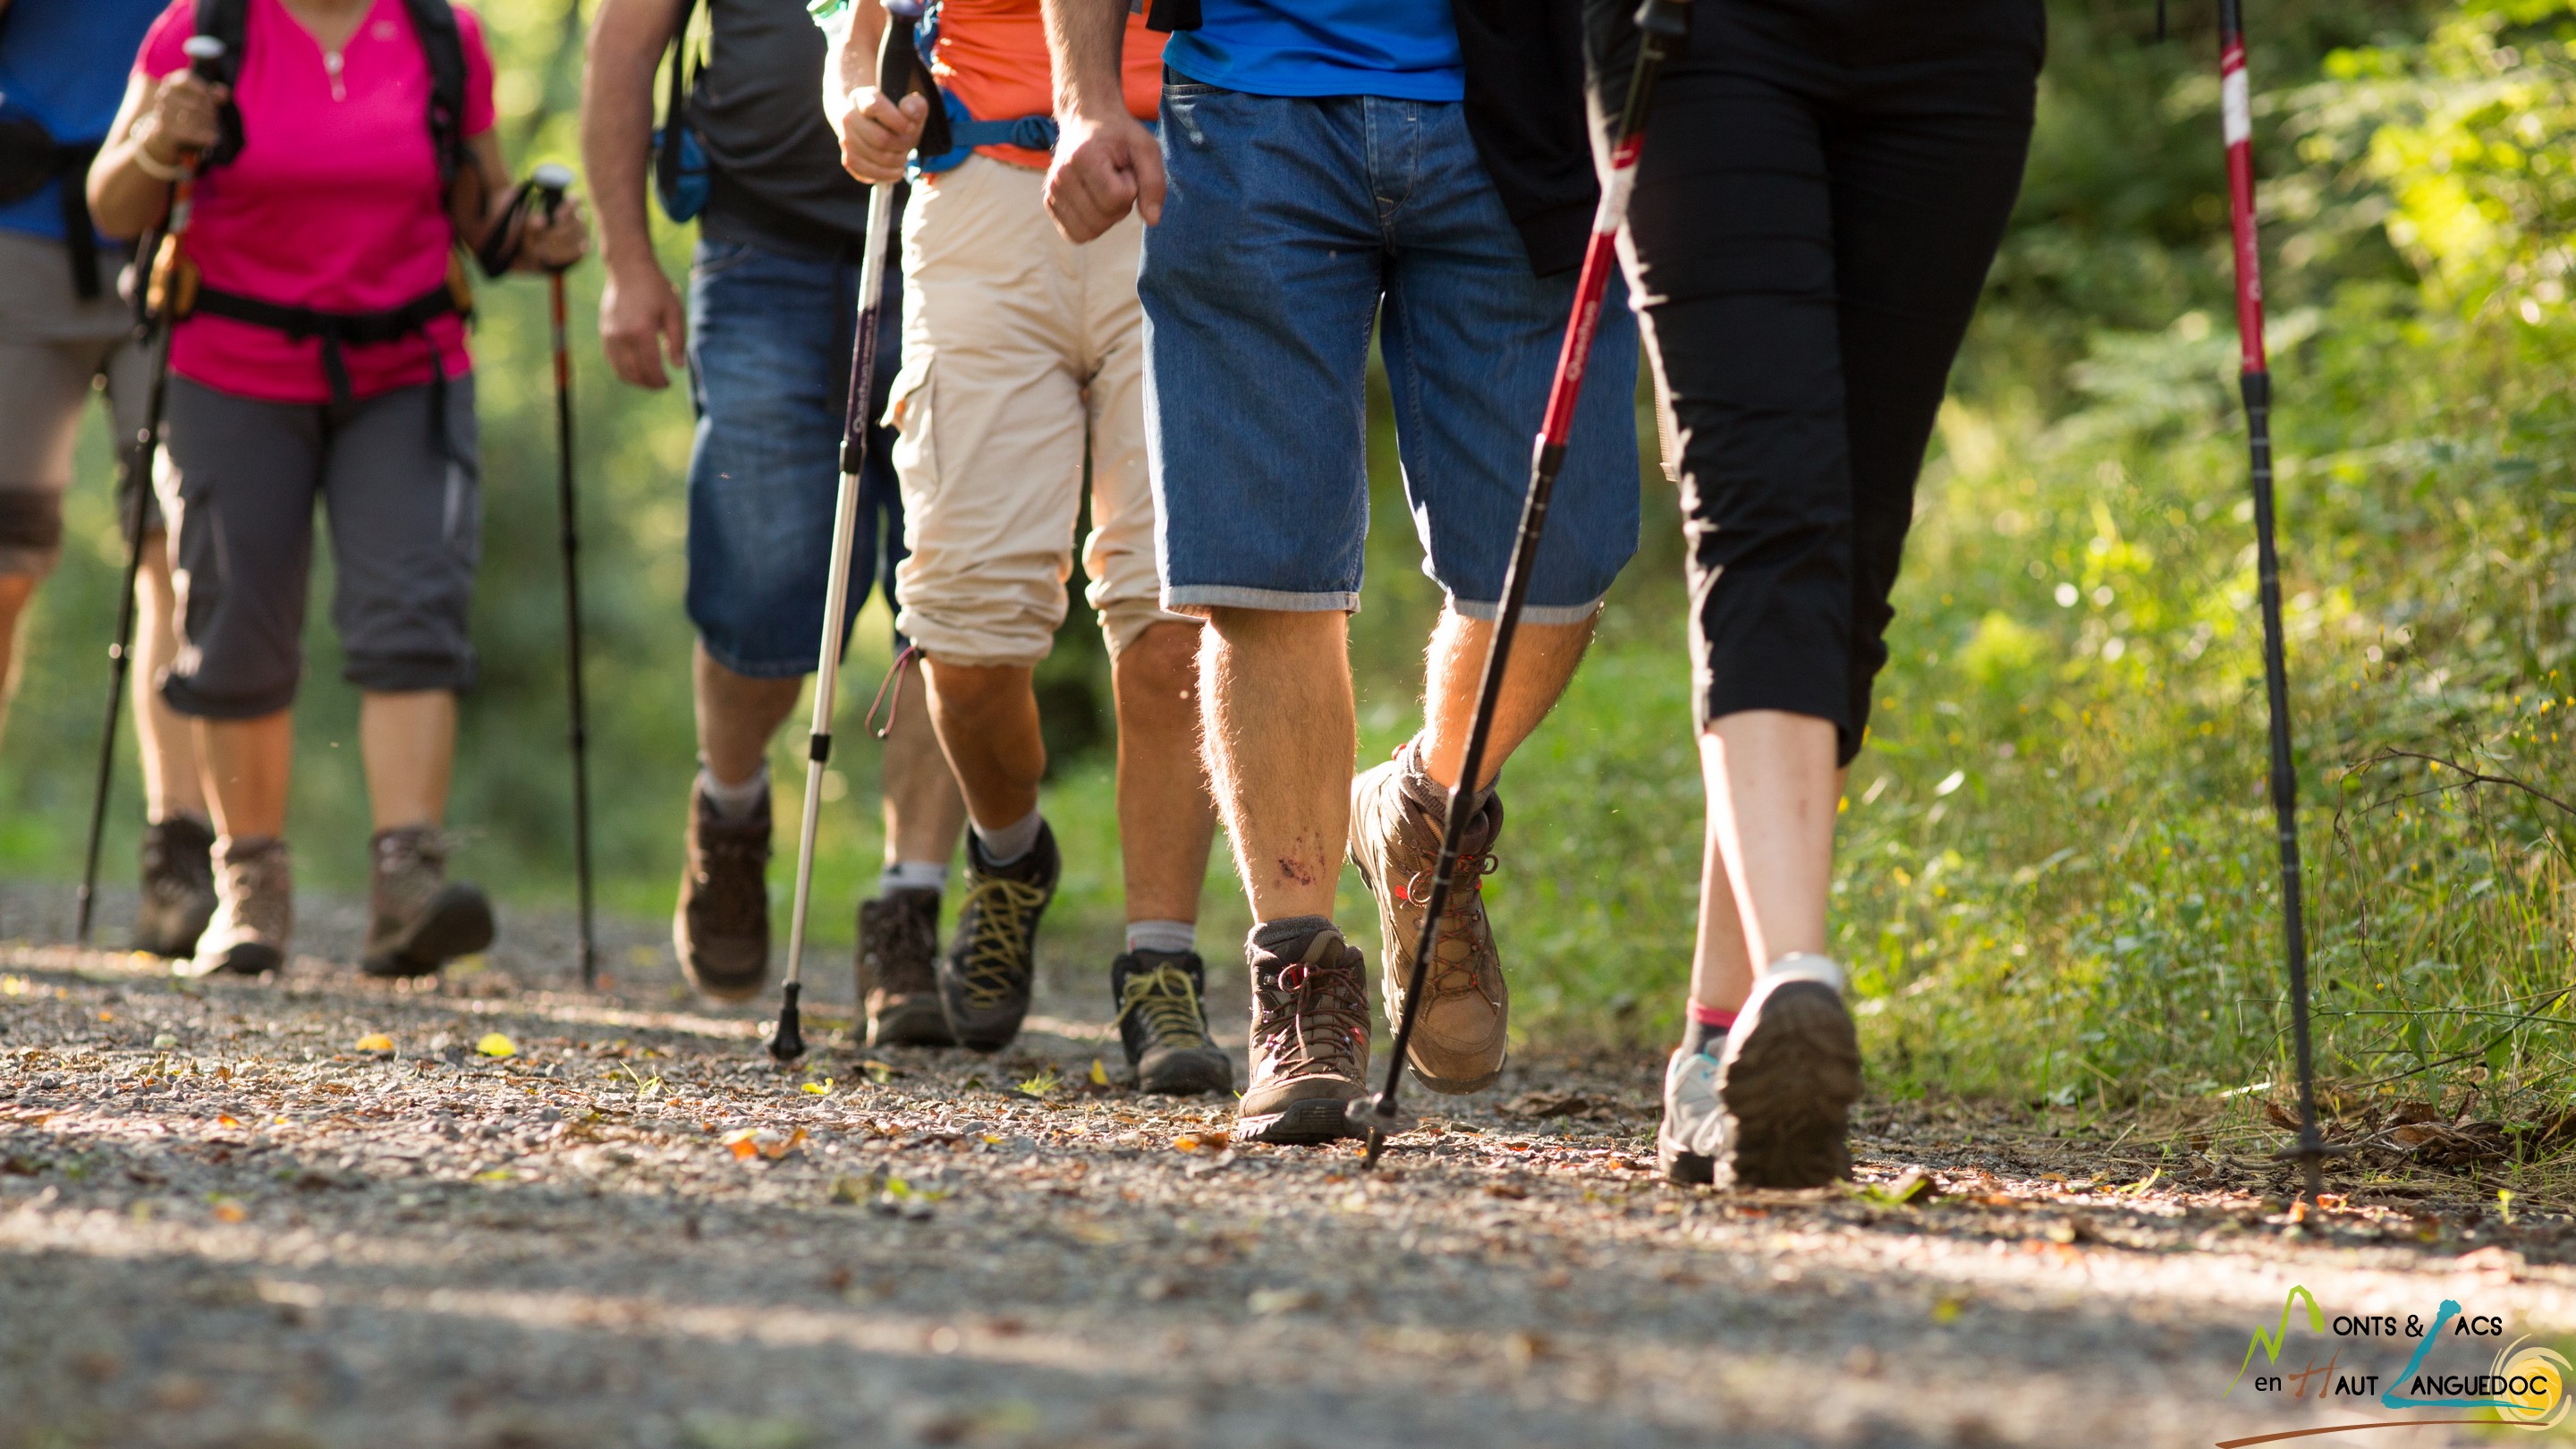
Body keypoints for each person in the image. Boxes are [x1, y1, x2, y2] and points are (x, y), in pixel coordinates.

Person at [1044, 0, 1643, 1140]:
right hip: (1247, 105)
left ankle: (1425, 807)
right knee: (1262, 572)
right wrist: (1086, 98)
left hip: (1526, 99)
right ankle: (1297, 977)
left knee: (1557, 563)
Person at [1582, 0, 2041, 1186]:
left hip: (1953, 47)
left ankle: (1718, 1045)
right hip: (1708, 34)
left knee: (1853, 538)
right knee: (1766, 506)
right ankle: (1796, 978)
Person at [88, 0, 588, 979]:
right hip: (231, 366)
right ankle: (250, 888)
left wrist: (537, 235)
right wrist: (155, 142)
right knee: (234, 624)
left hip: (407, 368)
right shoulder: (200, 30)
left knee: (415, 610)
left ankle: (407, 886)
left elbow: (480, 213)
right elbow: (113, 207)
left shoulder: (442, 35)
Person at [825, 0, 1228, 1091]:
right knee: (963, 634)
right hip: (980, 203)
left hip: (1183, 176)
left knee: (1174, 611)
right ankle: (1009, 855)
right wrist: (853, 102)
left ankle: (1161, 963)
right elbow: (857, 33)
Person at [582, 0, 971, 1028]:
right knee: (761, 592)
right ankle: (732, 807)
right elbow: (623, 47)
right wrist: (627, 263)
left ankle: (909, 905)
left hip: (963, 236)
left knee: (952, 596)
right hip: (761, 254)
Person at [0, 0, 216, 959]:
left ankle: (181, 850)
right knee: (5, 563)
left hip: (181, 235)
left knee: (177, 549)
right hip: (16, 224)